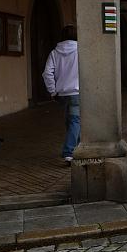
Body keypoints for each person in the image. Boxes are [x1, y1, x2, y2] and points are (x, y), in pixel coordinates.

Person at [42, 25, 80, 164]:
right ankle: (69, 152)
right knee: (76, 121)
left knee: (70, 122)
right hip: (77, 91)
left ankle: (78, 147)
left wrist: (52, 91)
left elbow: (47, 73)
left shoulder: (54, 52)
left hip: (62, 93)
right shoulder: (80, 50)